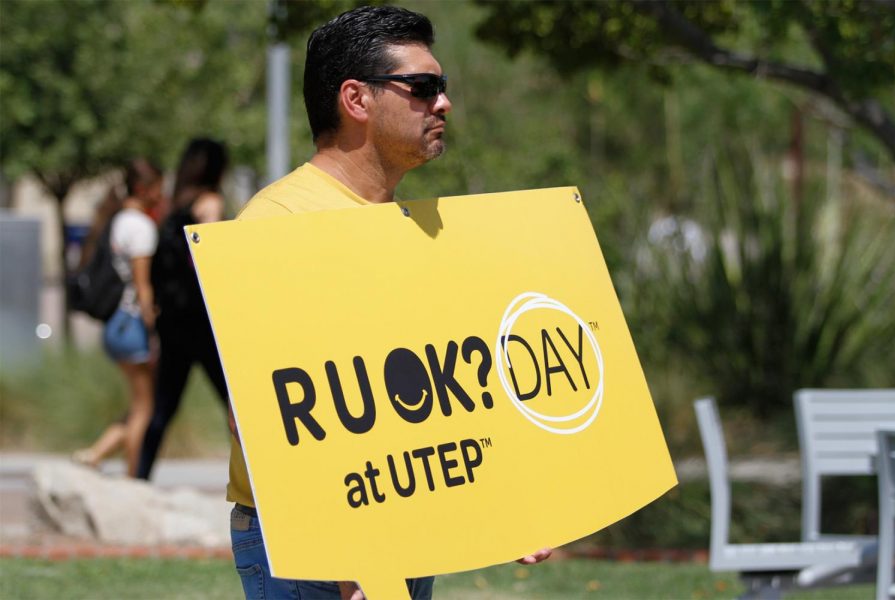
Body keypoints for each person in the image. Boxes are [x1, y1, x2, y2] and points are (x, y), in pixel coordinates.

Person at [228, 6, 550, 599]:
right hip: (319, 555)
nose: (444, 103)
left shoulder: (406, 227)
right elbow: (263, 418)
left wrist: (504, 510)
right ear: (356, 100)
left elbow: (438, 400)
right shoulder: (279, 223)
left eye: (442, 87)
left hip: (398, 533)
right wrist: (355, 567)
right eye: (424, 88)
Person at [136, 138, 231, 480]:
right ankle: (259, 479)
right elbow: (212, 262)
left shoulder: (175, 207)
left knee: (163, 406)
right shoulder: (209, 204)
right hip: (203, 321)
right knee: (236, 404)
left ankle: (140, 478)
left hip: (174, 322)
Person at [74, 158, 163, 477]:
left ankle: (95, 454)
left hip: (114, 324)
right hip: (132, 325)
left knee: (137, 405)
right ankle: (132, 477)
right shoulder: (140, 227)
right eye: (157, 188)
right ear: (143, 189)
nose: (160, 195)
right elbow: (143, 288)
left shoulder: (116, 221)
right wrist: (152, 333)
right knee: (144, 410)